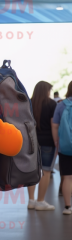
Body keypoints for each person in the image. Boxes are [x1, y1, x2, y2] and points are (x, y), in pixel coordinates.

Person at [27, 81, 57, 211]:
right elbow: (53, 125)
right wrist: (56, 142)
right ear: (46, 91)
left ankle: (31, 200)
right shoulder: (51, 104)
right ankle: (41, 201)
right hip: (47, 141)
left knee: (32, 170)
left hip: (31, 141)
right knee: (46, 171)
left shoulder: (29, 103)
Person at [52, 81, 72, 215]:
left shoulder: (61, 105)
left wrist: (56, 142)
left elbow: (54, 125)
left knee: (67, 177)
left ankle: (67, 207)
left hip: (65, 146)